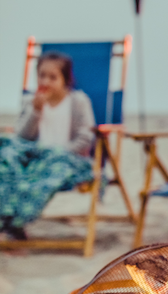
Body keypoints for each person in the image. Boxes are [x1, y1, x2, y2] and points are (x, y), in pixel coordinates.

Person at [0, 52, 96, 240]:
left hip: (66, 159)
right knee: (7, 162)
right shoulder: (31, 101)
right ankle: (7, 221)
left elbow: (86, 137)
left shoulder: (78, 101)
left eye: (53, 77)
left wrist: (60, 152)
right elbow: (22, 138)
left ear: (66, 79)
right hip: (34, 158)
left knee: (41, 178)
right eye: (42, 75)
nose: (46, 81)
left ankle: (17, 223)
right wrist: (36, 110)